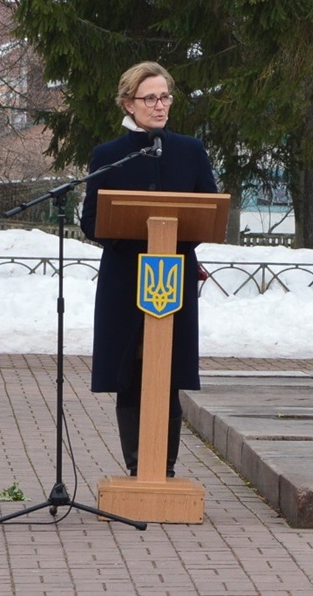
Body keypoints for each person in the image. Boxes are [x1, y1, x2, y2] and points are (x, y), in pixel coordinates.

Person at [80, 61, 218, 478]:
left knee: (167, 369)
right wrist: (131, 237)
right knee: (131, 371)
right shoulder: (108, 155)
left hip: (171, 275)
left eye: (165, 97)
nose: (160, 106)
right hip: (125, 277)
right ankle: (139, 466)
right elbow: (91, 220)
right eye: (151, 98)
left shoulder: (190, 150)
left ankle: (165, 468)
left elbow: (209, 211)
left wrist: (175, 240)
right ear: (129, 103)